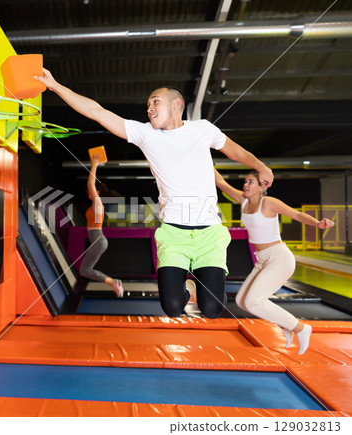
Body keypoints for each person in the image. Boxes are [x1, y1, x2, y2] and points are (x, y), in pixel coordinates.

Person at [36, 69, 274, 318]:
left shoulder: (203, 129)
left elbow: (234, 151)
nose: (149, 108)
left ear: (176, 104)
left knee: (212, 309)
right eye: (147, 105)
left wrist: (260, 166)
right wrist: (55, 86)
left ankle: (205, 288)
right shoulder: (145, 134)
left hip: (209, 235)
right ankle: (188, 286)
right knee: (172, 307)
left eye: (155, 102)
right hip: (173, 234)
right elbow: (97, 112)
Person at [214, 169, 334, 354]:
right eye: (245, 182)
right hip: (262, 260)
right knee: (241, 301)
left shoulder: (268, 202)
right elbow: (221, 182)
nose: (245, 185)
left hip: (279, 258)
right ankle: (287, 325)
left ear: (263, 186)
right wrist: (204, 157)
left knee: (253, 301)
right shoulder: (243, 200)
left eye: (251, 182)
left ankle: (300, 328)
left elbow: (297, 215)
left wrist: (318, 223)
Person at [79, 152, 124, 297]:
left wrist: (94, 165)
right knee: (86, 270)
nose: (88, 193)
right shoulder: (95, 204)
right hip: (98, 239)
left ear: (97, 192)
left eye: (91, 192)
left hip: (99, 240)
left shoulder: (98, 202)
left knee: (85, 270)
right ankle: (114, 283)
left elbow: (90, 183)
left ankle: (114, 283)